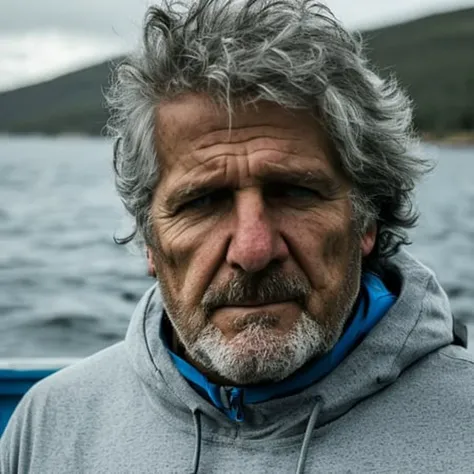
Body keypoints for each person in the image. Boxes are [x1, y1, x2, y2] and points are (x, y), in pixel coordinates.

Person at [1, 0, 473, 472]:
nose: (253, 250)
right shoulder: (50, 426)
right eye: (202, 202)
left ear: (366, 222)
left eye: (294, 193)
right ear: (150, 238)